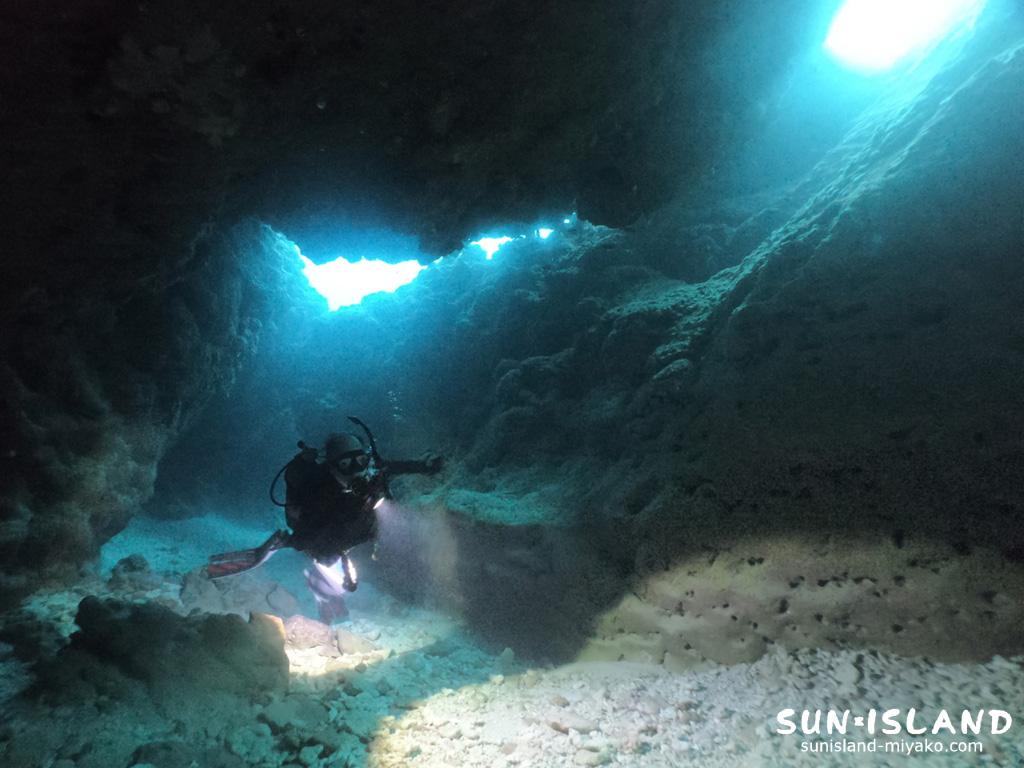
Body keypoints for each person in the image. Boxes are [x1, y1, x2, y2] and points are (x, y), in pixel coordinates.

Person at [208, 417, 441, 623]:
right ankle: (294, 558)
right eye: (346, 464)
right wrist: (333, 557)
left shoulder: (372, 472)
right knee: (324, 556)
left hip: (359, 529)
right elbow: (310, 537)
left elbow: (395, 466)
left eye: (359, 461)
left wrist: (424, 466)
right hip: (325, 534)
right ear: (331, 466)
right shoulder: (319, 487)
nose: (356, 470)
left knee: (384, 533)